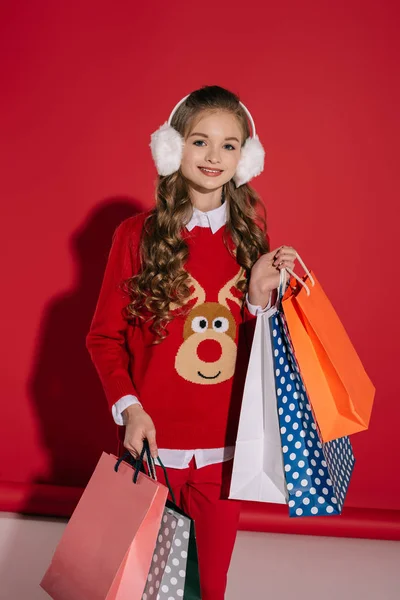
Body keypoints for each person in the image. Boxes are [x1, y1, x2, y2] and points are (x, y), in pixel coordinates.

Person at [86, 85, 297, 599]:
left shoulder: (251, 238)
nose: (213, 156)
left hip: (225, 457)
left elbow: (260, 350)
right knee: (138, 587)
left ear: (244, 157)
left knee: (207, 589)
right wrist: (130, 409)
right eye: (200, 141)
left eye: (229, 145)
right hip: (152, 445)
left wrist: (258, 299)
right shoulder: (134, 236)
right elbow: (104, 337)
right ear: (171, 146)